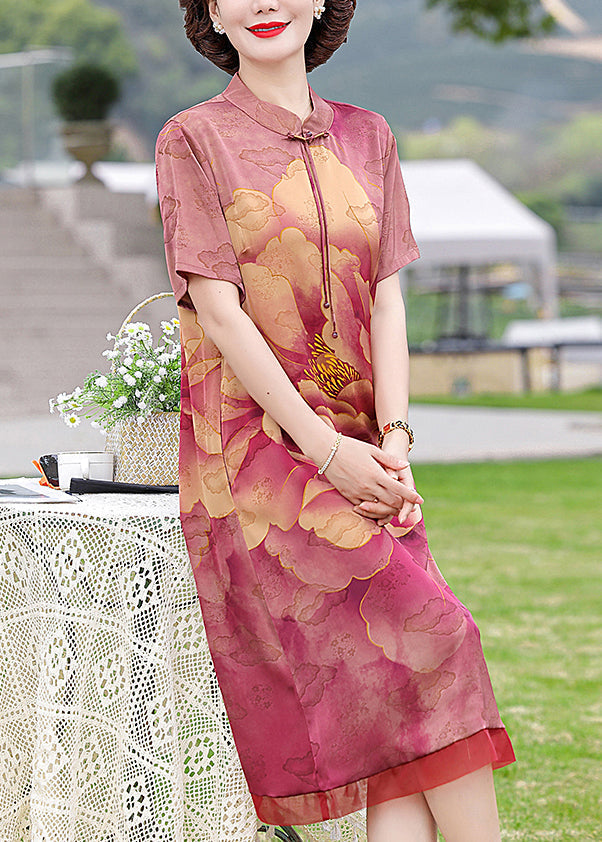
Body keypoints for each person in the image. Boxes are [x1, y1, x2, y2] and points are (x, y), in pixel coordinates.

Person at [155, 1, 516, 840]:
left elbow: (387, 300)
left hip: (364, 446)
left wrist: (393, 443)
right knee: (441, 640)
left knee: (398, 703)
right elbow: (221, 313)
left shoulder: (369, 135)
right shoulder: (192, 140)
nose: (264, 3)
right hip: (258, 457)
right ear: (212, 12)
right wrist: (327, 455)